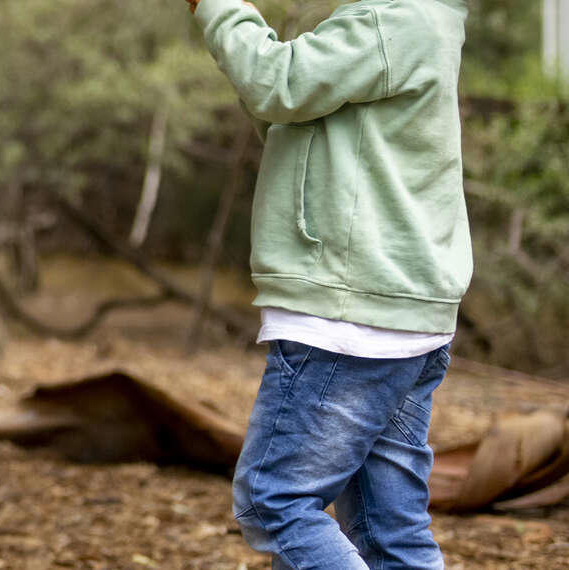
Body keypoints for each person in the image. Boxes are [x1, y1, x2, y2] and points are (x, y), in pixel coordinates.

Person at [187, 0, 472, 567]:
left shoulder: (392, 20)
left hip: (349, 319)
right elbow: (287, 108)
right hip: (397, 315)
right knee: (391, 529)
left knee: (276, 503)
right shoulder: (415, 20)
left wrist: (221, 10)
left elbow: (276, 84)